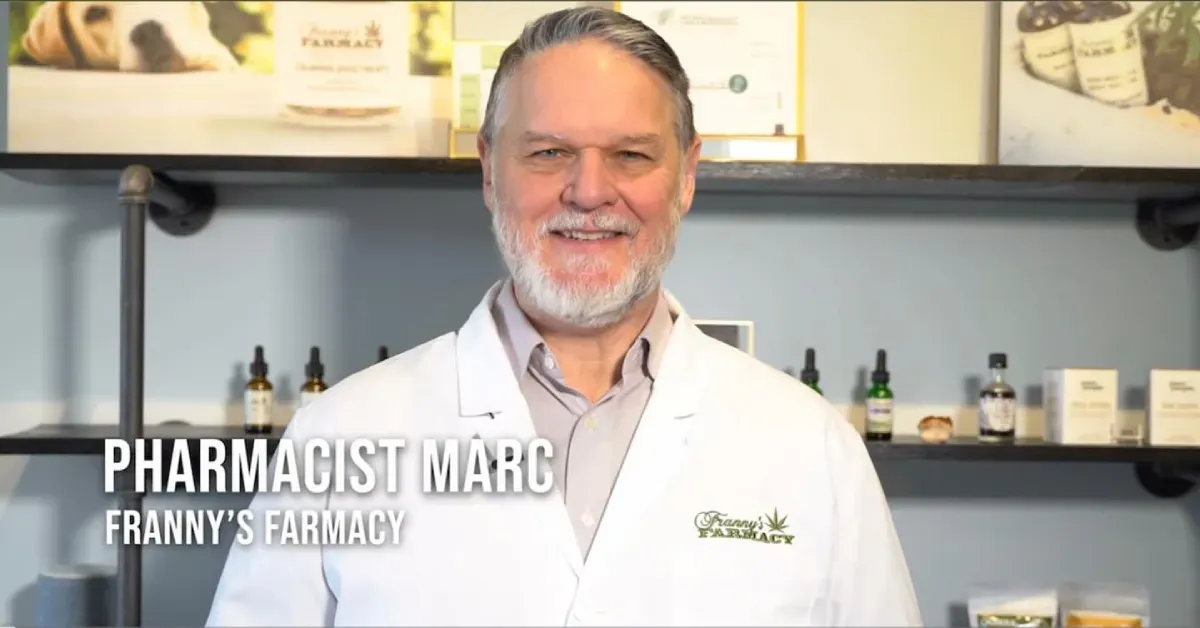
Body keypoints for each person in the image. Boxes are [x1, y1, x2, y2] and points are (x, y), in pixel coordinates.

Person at [205, 6, 921, 627]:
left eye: (631, 154)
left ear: (689, 175)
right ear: (490, 171)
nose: (589, 191)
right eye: (548, 152)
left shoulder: (812, 447)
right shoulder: (342, 435)